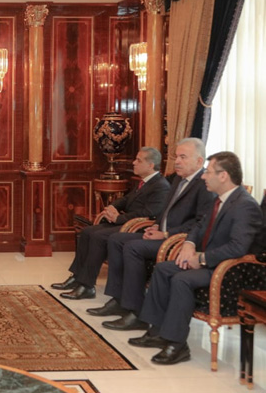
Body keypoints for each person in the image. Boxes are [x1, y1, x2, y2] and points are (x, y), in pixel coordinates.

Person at [132, 151, 262, 365]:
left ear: (223, 176)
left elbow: (238, 247)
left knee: (182, 279)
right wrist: (189, 244)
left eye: (208, 172)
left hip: (232, 271)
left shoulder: (244, 205)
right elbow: (199, 226)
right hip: (211, 262)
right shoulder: (219, 200)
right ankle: (156, 331)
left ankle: (177, 344)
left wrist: (201, 258)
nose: (203, 176)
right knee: (164, 268)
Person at [90, 138, 215, 331]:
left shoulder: (204, 185)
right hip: (161, 233)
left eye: (183, 157)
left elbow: (199, 223)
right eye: (176, 157)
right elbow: (165, 210)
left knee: (133, 247)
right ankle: (119, 299)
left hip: (177, 241)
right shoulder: (177, 179)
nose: (177, 162)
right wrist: (156, 225)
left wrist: (165, 234)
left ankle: (135, 311)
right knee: (116, 239)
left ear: (199, 162)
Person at [52, 147, 170, 300]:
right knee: (88, 232)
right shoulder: (144, 182)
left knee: (99, 236)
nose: (134, 163)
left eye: (138, 160)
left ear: (150, 165)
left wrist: (118, 219)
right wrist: (114, 206)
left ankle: (87, 286)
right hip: (127, 222)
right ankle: (77, 277)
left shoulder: (161, 186)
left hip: (138, 228)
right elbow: (127, 199)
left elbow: (148, 214)